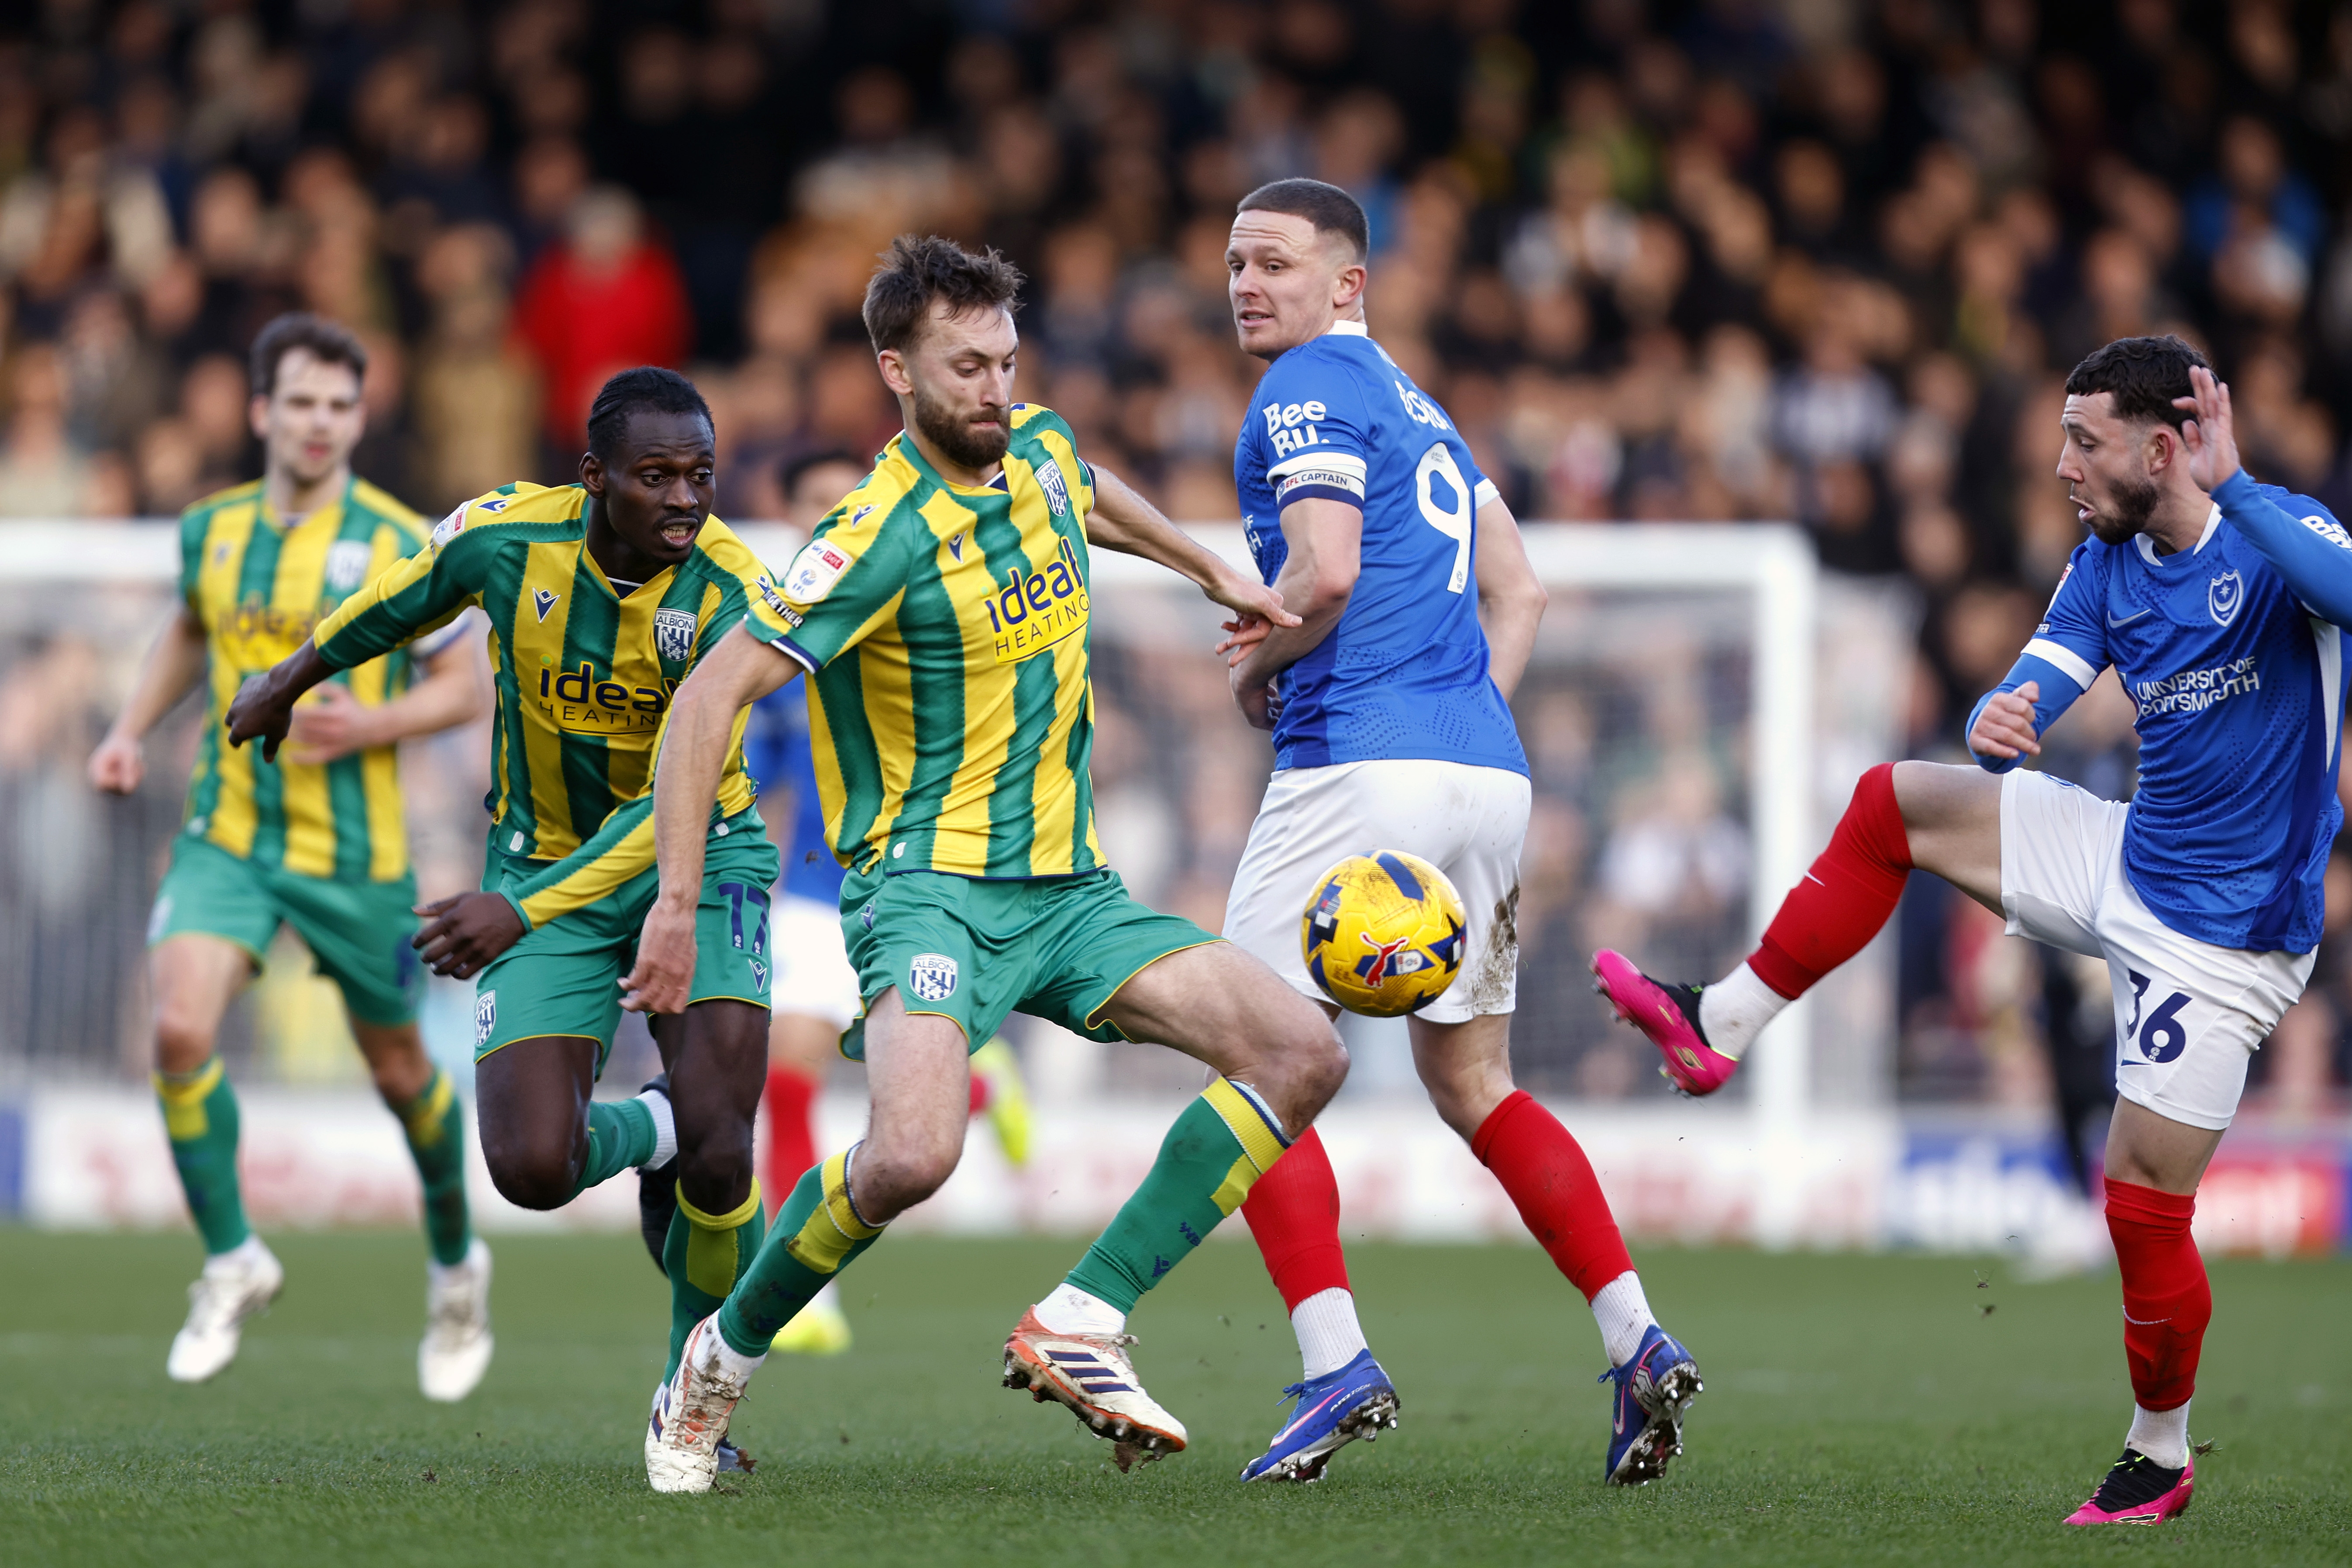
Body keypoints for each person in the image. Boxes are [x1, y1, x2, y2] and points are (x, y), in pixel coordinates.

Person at [623, 234, 1347, 1495]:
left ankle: (1084, 1314)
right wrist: (675, 907)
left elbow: (1090, 487)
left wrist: (1208, 566)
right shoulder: (875, 533)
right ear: (896, 371)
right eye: (966, 368)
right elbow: (704, 703)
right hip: (929, 891)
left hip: (1071, 892)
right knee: (912, 1155)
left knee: (1301, 1052)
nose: (995, 391)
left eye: (1007, 362)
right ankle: (713, 1363)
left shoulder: (1043, 449)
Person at [1595, 335, 2343, 1526]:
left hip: (2231, 935)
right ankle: (1715, 1025)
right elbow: (2049, 664)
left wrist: (2239, 488)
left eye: (2084, 442)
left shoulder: (2272, 534)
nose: (2060, 465)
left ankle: (2159, 1454)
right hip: (2128, 858)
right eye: (2060, 438)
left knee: (2140, 1201)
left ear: (2164, 448)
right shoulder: (2104, 559)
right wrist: (2014, 710)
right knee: (1897, 803)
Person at [1207, 179, 1703, 1486]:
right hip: (1485, 770)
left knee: (1249, 1067)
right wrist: (1462, 714)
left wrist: (1256, 668)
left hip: (1355, 762)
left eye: (1274, 261)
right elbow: (1520, 589)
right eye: (1234, 264)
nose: (1247, 283)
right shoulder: (1423, 410)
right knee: (1473, 1084)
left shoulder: (1303, 387)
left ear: (1346, 284)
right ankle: (1636, 1335)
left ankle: (1332, 1366)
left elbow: (1322, 571)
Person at [224, 368, 779, 1431]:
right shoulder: (509, 540)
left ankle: (690, 1408)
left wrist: (515, 911)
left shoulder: (732, 593)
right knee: (533, 1168)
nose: (684, 499)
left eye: (700, 475)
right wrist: (290, 677)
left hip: (703, 862)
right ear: (593, 478)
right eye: (655, 476)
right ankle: (651, 1130)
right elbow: (397, 599)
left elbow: (679, 798)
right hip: (542, 862)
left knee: (726, 1146)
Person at [86, 312, 495, 1398]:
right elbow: (188, 626)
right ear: (263, 411)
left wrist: (369, 725)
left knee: (403, 1075)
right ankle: (231, 1258)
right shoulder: (212, 530)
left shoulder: (406, 538)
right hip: (227, 834)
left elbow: (468, 687)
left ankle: (457, 1269)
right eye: (302, 402)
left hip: (355, 857)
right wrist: (130, 729)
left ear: (362, 417)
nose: (320, 423)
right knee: (176, 1025)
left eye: (340, 405)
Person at [740, 448, 1032, 1358]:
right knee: (787, 1077)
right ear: (788, 516)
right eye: (814, 501)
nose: (832, 515)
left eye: (845, 500)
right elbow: (758, 777)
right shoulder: (777, 637)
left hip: (900, 882)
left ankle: (981, 1087)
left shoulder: (914, 608)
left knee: (876, 1084)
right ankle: (806, 1293)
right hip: (808, 890)